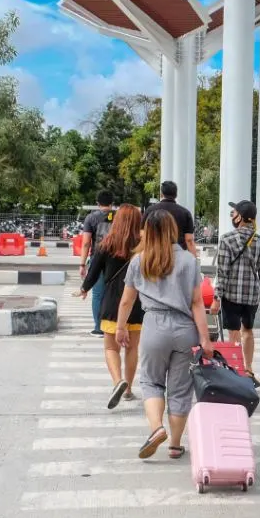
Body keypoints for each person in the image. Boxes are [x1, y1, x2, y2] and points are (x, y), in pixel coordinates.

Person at [115, 210, 213, 460]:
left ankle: (157, 428)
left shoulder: (139, 260)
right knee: (180, 390)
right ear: (172, 230)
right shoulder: (189, 261)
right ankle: (175, 445)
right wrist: (205, 339)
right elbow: (197, 303)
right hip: (184, 329)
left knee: (151, 382)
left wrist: (120, 327)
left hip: (154, 326)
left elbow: (127, 301)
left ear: (148, 230)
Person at [79, 204, 144, 409]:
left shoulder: (106, 245)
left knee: (110, 347)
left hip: (111, 303)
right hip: (137, 303)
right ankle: (128, 389)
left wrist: (84, 288)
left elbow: (94, 271)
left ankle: (118, 381)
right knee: (132, 348)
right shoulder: (144, 246)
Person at [211, 200, 260, 388]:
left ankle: (235, 369)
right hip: (252, 296)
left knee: (233, 333)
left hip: (231, 295)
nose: (232, 217)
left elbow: (222, 273)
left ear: (241, 218)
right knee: (248, 331)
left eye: (233, 213)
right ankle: (249, 369)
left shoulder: (227, 239)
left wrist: (216, 298)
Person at [80, 190, 116, 336]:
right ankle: (112, 325)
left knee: (97, 294)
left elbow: (86, 243)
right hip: (116, 259)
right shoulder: (118, 217)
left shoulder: (91, 218)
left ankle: (98, 327)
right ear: (112, 204)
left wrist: (82, 264)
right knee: (114, 293)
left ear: (97, 203)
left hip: (97, 259)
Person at [142, 180, 197, 257]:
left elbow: (143, 234)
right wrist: (194, 259)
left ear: (161, 194)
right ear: (176, 195)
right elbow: (189, 240)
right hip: (178, 256)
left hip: (154, 255)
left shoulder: (150, 210)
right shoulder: (185, 213)